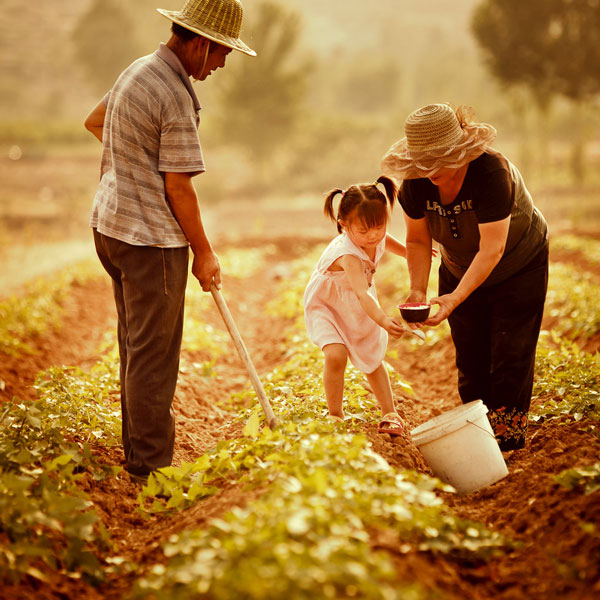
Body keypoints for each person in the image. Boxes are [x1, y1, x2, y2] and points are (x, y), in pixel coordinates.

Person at [83, 0, 256, 484]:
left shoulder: (136, 70)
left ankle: (138, 455)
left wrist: (132, 166)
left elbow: (95, 121)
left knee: (136, 348)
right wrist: (204, 251)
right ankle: (152, 469)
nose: (221, 65)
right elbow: (179, 187)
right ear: (200, 44)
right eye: (222, 54)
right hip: (150, 243)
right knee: (154, 356)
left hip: (111, 227)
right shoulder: (176, 97)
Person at [381, 103, 549, 451]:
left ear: (459, 152)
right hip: (458, 264)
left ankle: (507, 442)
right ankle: (479, 438)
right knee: (470, 359)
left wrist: (455, 297)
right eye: (422, 164)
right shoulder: (415, 184)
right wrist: (417, 289)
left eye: (438, 162)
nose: (429, 172)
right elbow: (416, 239)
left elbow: (492, 249)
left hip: (518, 265)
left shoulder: (491, 173)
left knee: (510, 355)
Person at [303, 176, 410, 436]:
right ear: (344, 226)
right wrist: (383, 320)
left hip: (356, 302)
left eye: (379, 226)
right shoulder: (348, 255)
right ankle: (335, 415)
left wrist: (409, 251)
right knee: (336, 355)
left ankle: (390, 413)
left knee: (372, 357)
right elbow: (362, 295)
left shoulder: (374, 235)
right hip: (327, 304)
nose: (373, 235)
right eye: (363, 231)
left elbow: (387, 241)